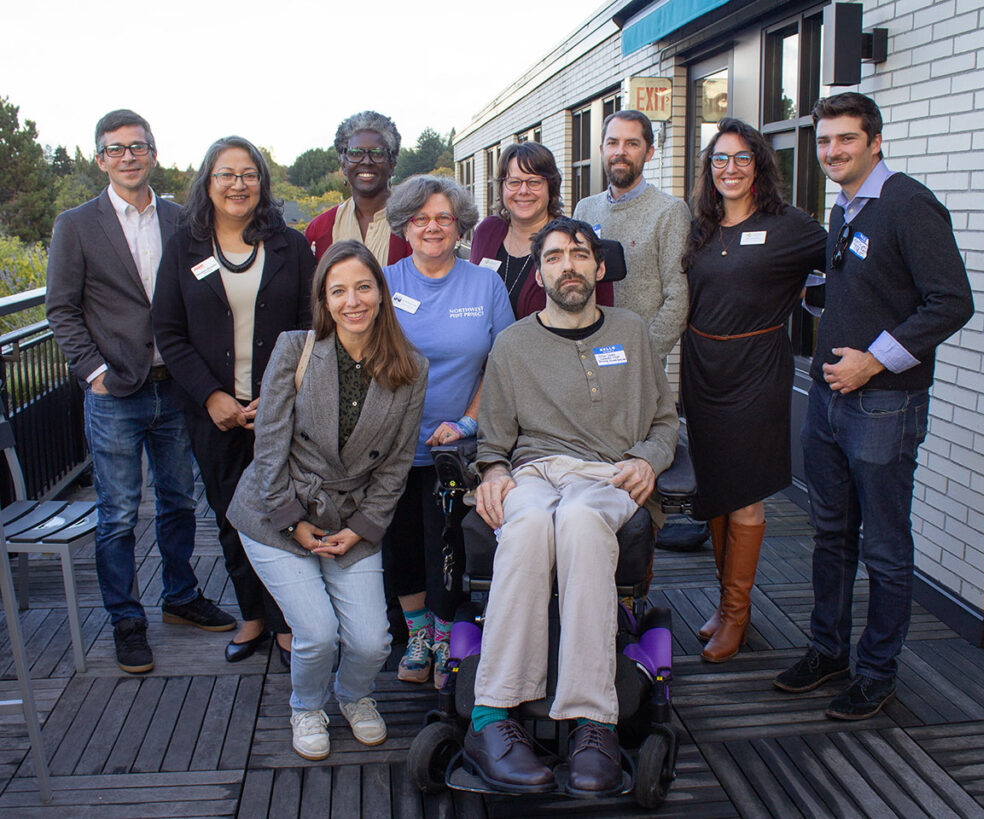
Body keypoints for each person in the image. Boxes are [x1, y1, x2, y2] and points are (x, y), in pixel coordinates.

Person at [774, 92, 973, 719]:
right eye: (825, 141)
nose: (832, 152)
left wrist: (874, 359)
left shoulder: (908, 205)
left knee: (884, 546)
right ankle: (828, 650)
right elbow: (863, 286)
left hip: (884, 403)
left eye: (846, 140)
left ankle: (877, 670)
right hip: (833, 402)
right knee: (831, 534)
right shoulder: (844, 207)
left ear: (875, 141)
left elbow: (951, 302)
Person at [463, 217, 678, 796]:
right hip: (534, 470)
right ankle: (490, 719)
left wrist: (647, 460)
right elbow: (494, 438)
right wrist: (492, 470)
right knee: (526, 521)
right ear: (540, 271)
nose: (568, 266)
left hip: (607, 474)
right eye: (554, 257)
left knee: (581, 522)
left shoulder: (631, 333)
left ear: (599, 267)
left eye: (579, 255)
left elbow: (664, 421)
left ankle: (592, 722)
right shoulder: (512, 344)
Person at [45, 110, 235, 674]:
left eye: (138, 146)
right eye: (115, 148)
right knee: (119, 512)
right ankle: (126, 619)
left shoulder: (183, 220)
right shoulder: (76, 225)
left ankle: (179, 597)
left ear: (153, 153)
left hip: (176, 388)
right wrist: (92, 372)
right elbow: (61, 308)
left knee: (179, 503)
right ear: (100, 159)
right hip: (116, 393)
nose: (128, 156)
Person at [227, 240, 428, 760]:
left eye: (363, 287)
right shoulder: (295, 350)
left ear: (381, 294)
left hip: (351, 518)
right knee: (316, 633)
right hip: (277, 510)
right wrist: (292, 520)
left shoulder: (410, 368)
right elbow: (268, 446)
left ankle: (353, 695)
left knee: (372, 642)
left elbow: (395, 466)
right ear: (324, 299)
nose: (352, 301)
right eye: (338, 291)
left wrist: (361, 528)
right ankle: (306, 706)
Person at [153, 136, 315, 666]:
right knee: (230, 516)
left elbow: (315, 328)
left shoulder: (292, 246)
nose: (238, 184)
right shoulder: (184, 247)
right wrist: (212, 396)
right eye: (226, 174)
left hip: (281, 408)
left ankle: (288, 621)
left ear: (263, 184)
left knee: (286, 511)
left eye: (248, 174)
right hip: (216, 413)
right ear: (208, 182)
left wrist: (281, 395)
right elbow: (169, 331)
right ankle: (252, 615)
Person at [680, 119, 827, 663]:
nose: (731, 169)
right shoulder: (700, 225)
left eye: (743, 158)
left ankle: (738, 616)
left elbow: (843, 273)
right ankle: (723, 604)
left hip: (757, 369)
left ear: (759, 165)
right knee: (716, 485)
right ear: (709, 169)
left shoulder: (791, 227)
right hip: (703, 369)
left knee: (746, 491)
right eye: (720, 159)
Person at [382, 175, 515, 688]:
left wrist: (467, 422)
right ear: (404, 226)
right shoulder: (385, 281)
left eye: (442, 218)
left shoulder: (484, 283)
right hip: (391, 445)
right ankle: (417, 634)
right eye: (420, 218)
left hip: (456, 449)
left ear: (459, 225)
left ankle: (445, 634)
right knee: (401, 543)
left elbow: (502, 364)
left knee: (450, 543)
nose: (432, 227)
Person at [573, 109, 690, 360]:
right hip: (587, 355)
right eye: (613, 142)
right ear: (602, 149)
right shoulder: (585, 209)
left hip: (640, 363)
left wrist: (642, 357)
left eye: (632, 144)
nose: (620, 152)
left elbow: (678, 298)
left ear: (649, 152)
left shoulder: (670, 212)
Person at [470, 141, 613, 318]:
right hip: (490, 346)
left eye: (534, 182)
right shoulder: (487, 231)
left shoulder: (575, 238)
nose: (523, 191)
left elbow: (601, 313)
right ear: (501, 187)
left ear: (550, 187)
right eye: (514, 182)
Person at [304, 111, 411, 265]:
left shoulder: (412, 224)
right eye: (356, 153)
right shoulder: (319, 229)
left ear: (392, 165)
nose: (366, 161)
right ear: (343, 165)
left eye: (377, 153)